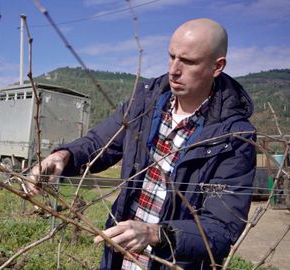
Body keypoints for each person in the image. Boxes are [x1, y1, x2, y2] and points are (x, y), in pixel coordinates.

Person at [28, 18, 256, 269]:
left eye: (188, 61)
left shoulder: (234, 137)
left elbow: (221, 228)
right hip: (120, 257)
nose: (174, 70)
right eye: (171, 57)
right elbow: (99, 143)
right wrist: (64, 156)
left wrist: (155, 234)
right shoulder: (145, 103)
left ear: (217, 66)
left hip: (174, 262)